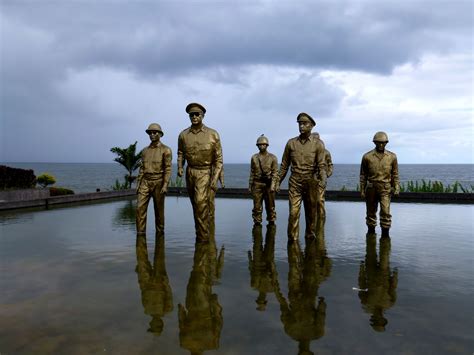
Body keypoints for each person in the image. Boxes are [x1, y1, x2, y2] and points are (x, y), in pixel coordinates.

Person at [177, 103, 223, 241]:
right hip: (190, 172)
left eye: (197, 114)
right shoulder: (183, 135)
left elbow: (219, 159)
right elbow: (180, 153)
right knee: (196, 206)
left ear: (202, 116)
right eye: (191, 114)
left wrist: (215, 178)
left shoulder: (213, 134)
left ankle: (203, 238)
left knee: (200, 203)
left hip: (205, 172)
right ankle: (203, 231)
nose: (194, 117)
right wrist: (180, 166)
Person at [278, 113, 327, 240]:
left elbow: (322, 166)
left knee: (311, 215)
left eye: (305, 123)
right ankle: (292, 240)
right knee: (293, 213)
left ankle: (310, 238)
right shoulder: (291, 143)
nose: (301, 126)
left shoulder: (318, 144)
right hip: (295, 182)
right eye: (300, 123)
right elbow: (284, 166)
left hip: (311, 182)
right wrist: (276, 182)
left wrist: (323, 180)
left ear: (311, 126)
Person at [360, 132, 399, 237]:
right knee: (371, 212)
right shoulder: (367, 157)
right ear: (375, 142)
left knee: (385, 212)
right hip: (371, 187)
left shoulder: (392, 157)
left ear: (386, 143)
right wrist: (362, 190)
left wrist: (396, 187)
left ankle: (385, 235)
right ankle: (371, 233)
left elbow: (395, 174)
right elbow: (363, 175)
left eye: (383, 143)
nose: (381, 145)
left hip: (385, 188)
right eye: (378, 143)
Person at [136, 123, 172, 235]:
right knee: (139, 208)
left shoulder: (166, 150)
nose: (152, 134)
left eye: (155, 132)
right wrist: (138, 183)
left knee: (159, 210)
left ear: (160, 134)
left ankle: (160, 233)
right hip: (145, 182)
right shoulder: (144, 151)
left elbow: (168, 169)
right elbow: (142, 169)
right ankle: (140, 233)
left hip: (159, 182)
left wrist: (165, 185)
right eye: (150, 133)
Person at [249, 135, 278, 225]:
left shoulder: (273, 157)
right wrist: (250, 185)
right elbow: (252, 172)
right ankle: (257, 222)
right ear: (257, 146)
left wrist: (273, 186)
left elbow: (275, 173)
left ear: (267, 145)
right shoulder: (254, 157)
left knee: (270, 206)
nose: (262, 146)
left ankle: (271, 222)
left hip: (269, 185)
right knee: (257, 206)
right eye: (260, 145)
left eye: (263, 145)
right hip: (257, 184)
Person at [312, 132, 333, 220]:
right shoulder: (310, 151)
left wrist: (328, 174)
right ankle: (313, 218)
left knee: (320, 200)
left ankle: (321, 218)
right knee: (311, 200)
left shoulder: (326, 152)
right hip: (311, 177)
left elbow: (330, 164)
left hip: (321, 177)